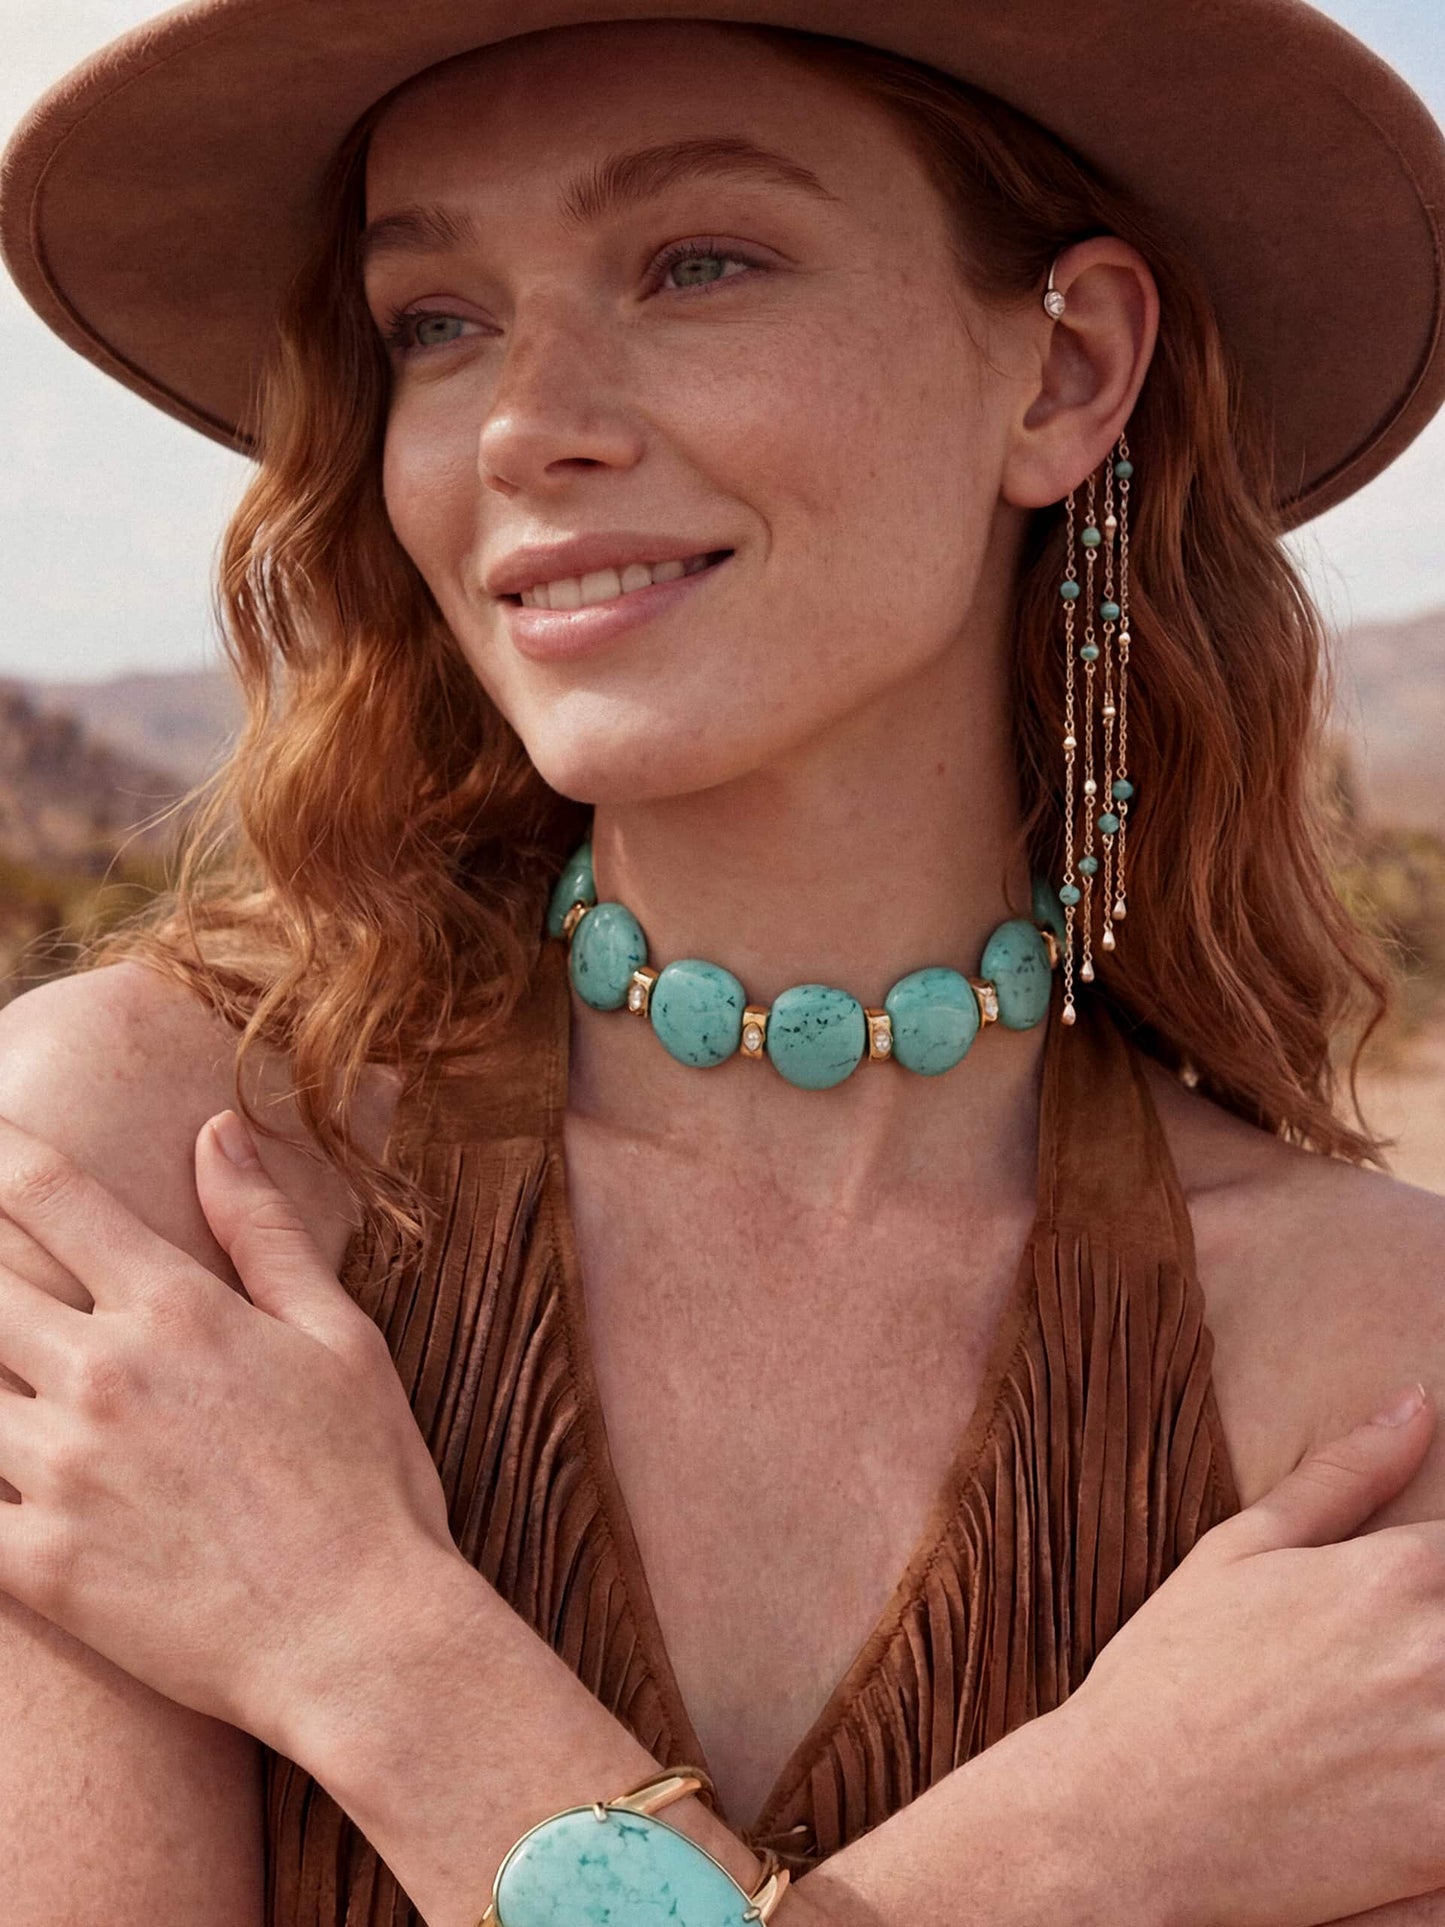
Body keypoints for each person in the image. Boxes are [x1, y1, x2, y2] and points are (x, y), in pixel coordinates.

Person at [2, 1, 1445, 1922]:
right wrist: (1097, 1847)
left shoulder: (1382, 1360)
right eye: (435, 320)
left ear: (1064, 371)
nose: (522, 423)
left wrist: (362, 1650)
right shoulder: (155, 1172)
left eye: (696, 264)